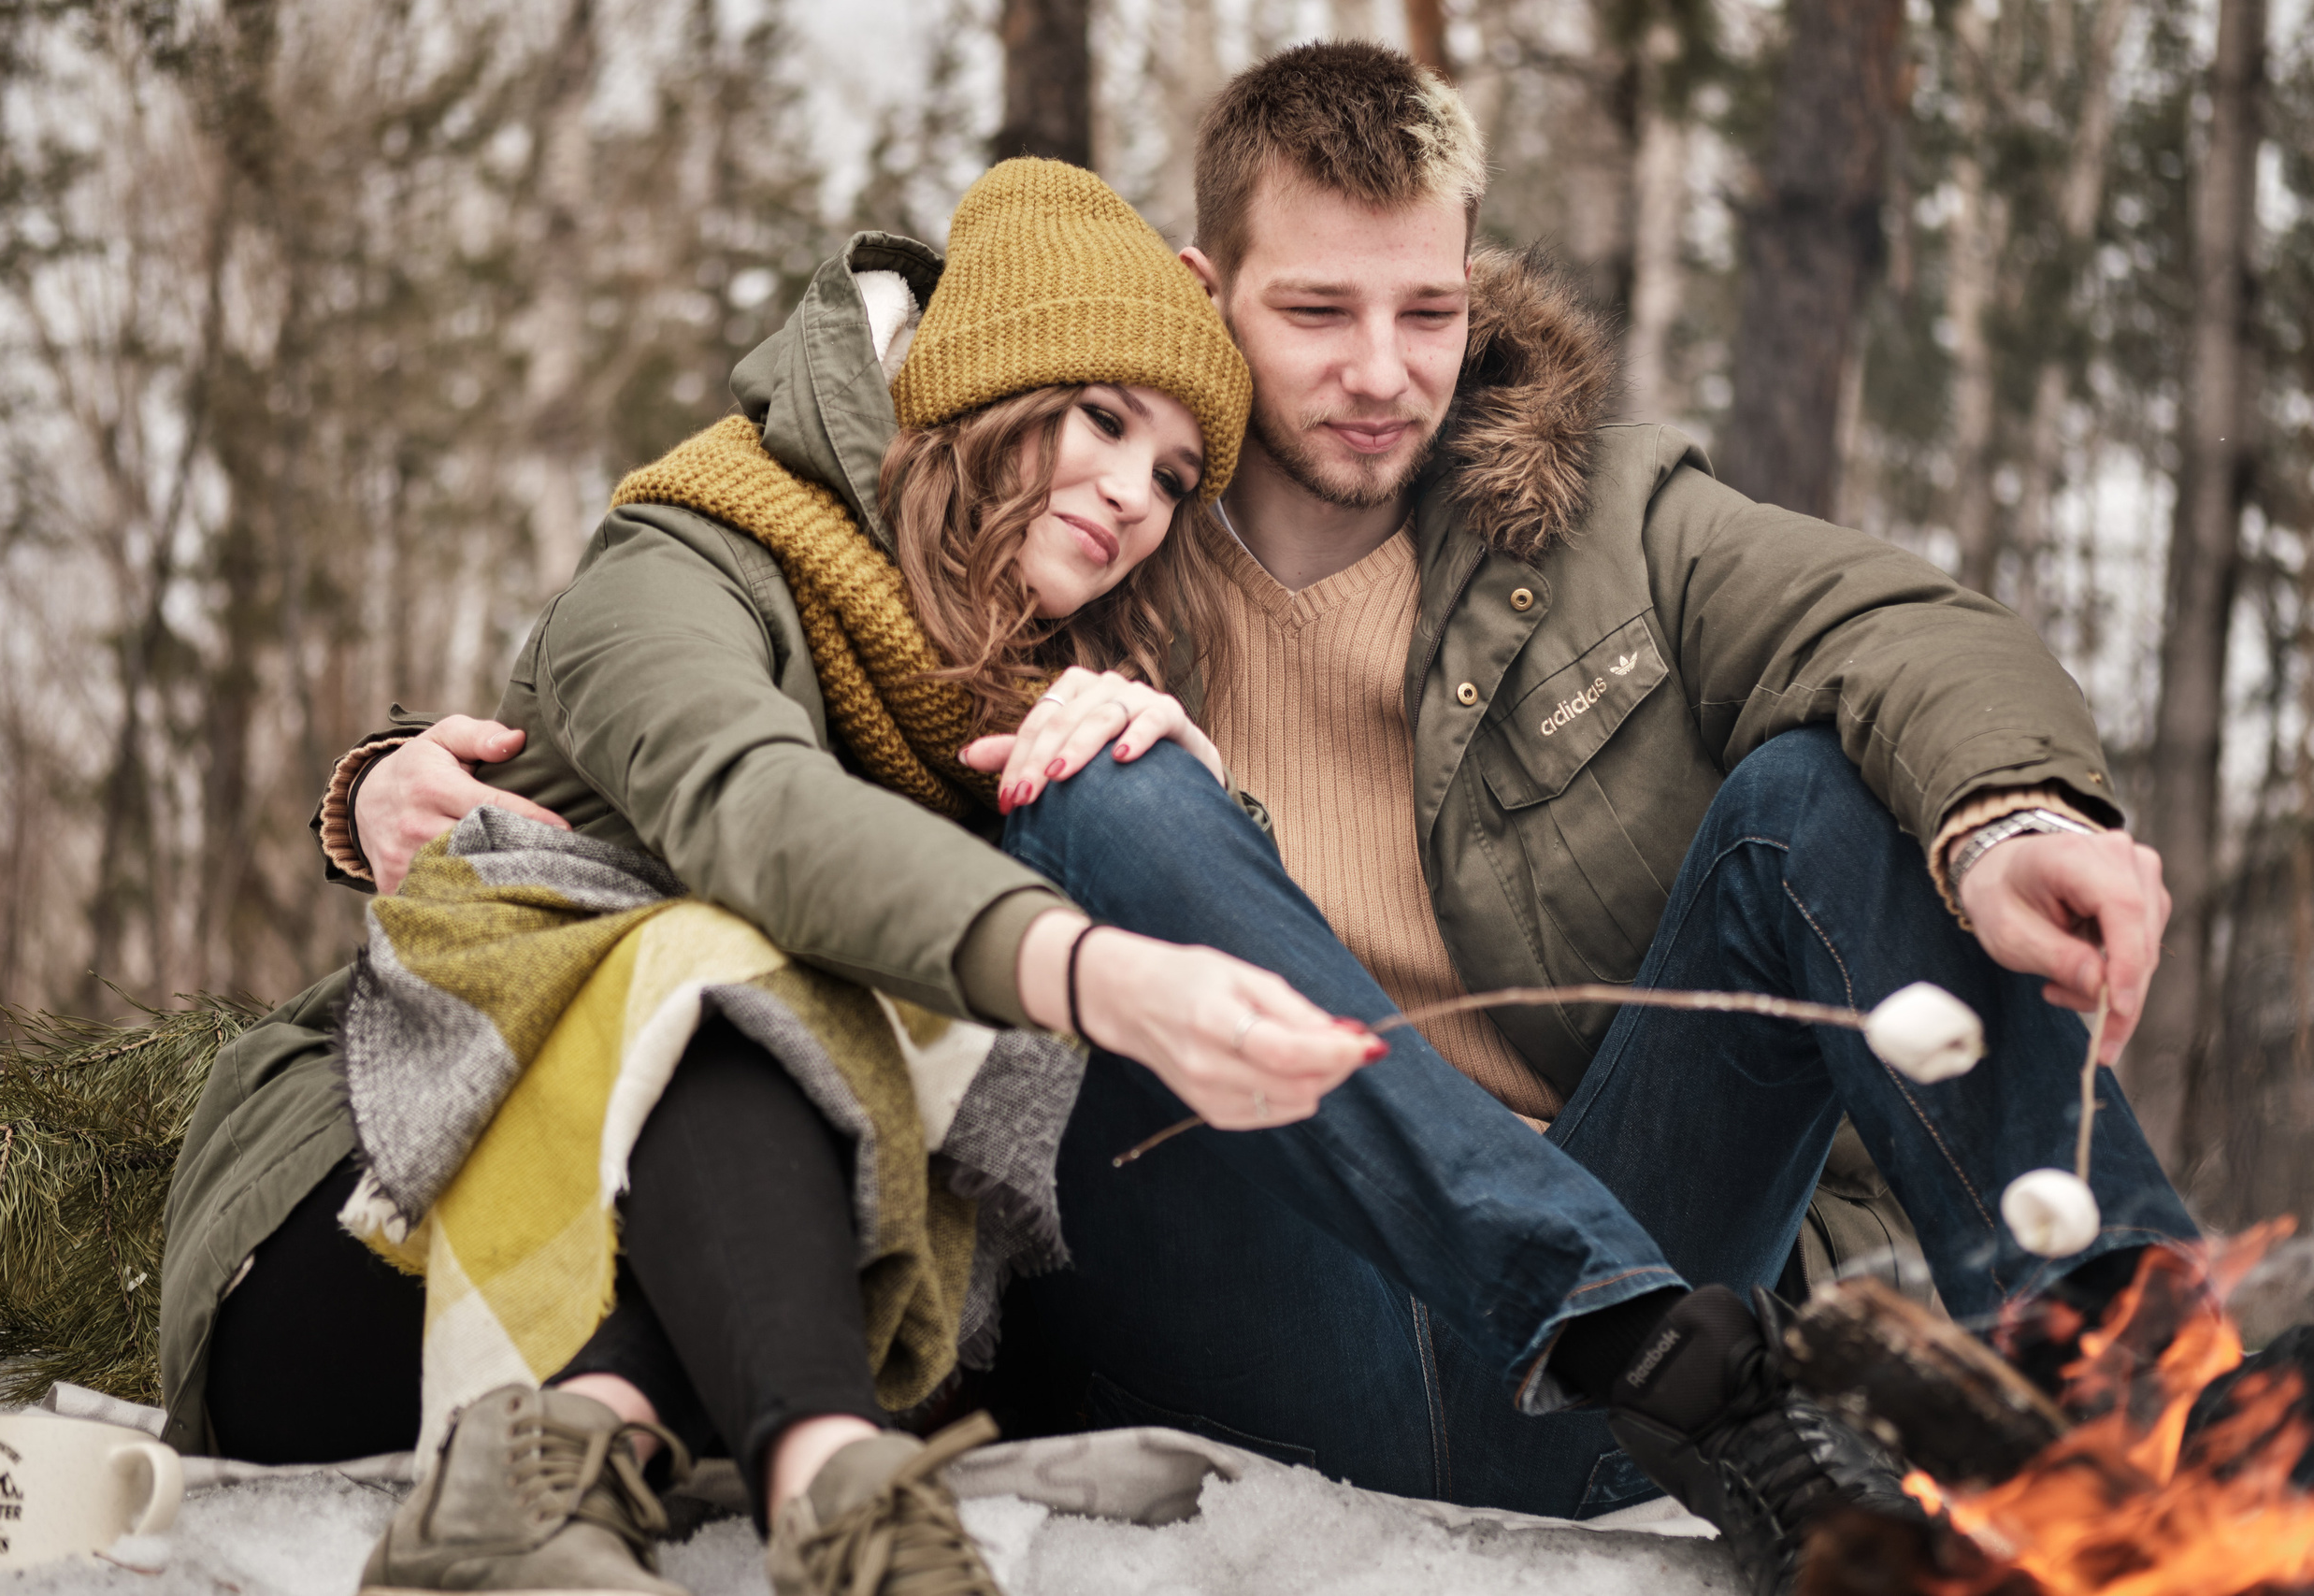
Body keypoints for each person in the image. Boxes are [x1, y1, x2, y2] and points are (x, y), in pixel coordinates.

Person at [333, 46, 2243, 1596]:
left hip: (1640, 1293)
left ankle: (2150, 1395)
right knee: (1097, 778)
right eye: (1316, 311)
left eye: (1427, 310)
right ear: (1205, 295)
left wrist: (2011, 817)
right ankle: (1633, 1328)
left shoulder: (1601, 527)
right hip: (1265, 1283)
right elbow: (739, 710)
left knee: (1817, 789)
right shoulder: (1068, 528)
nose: (1381, 370)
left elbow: (1887, 621)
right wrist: (390, 779)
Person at [163, 159, 1385, 1596]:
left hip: (718, 1289)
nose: (1132, 495)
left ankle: (637, 1473)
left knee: (892, 1070)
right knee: (729, 964)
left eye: (1175, 478)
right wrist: (1087, 964)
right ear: (988, 376)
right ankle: (841, 1503)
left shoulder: (1061, 698)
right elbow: (757, 810)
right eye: (1104, 418)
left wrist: (1175, 797)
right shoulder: (685, 554)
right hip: (371, 1225)